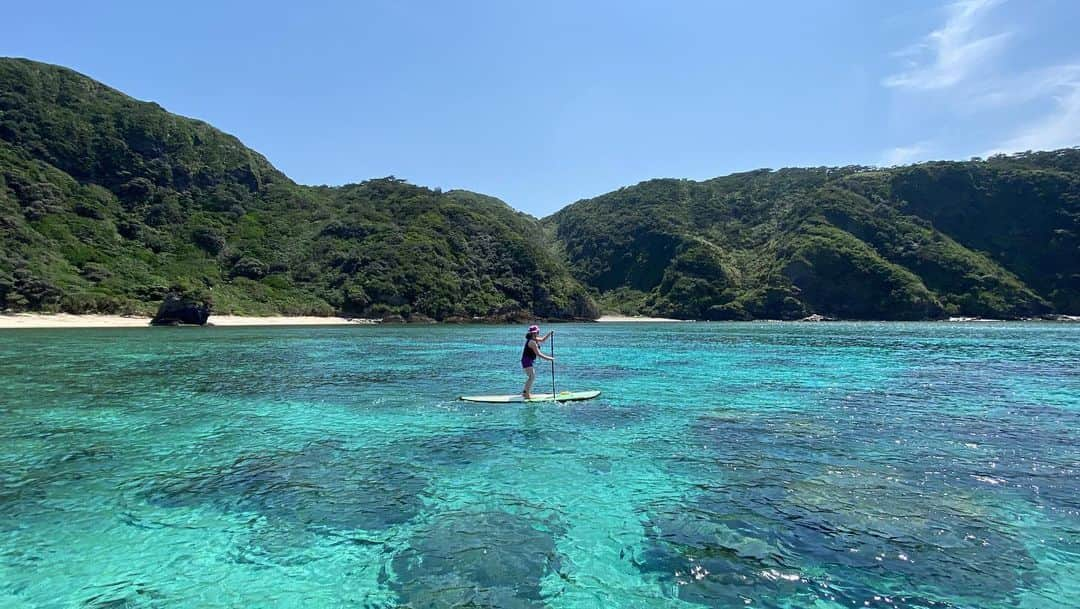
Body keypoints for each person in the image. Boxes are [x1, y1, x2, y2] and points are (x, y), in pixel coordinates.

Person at [521, 324, 554, 398]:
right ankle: (526, 394)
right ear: (534, 333)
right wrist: (549, 358)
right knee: (531, 377)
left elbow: (543, 340)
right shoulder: (532, 342)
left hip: (528, 360)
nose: (537, 333)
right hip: (527, 361)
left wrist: (549, 333)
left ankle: (525, 392)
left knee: (531, 377)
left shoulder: (534, 339)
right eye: (537, 332)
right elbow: (538, 354)